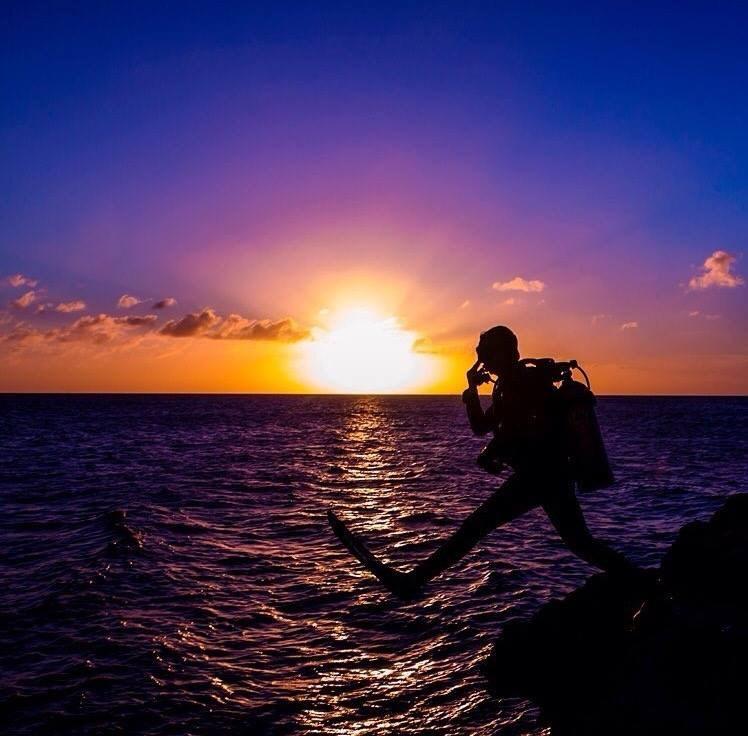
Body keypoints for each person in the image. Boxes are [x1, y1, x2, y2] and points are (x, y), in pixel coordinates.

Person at [367, 325, 639, 600]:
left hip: (540, 476)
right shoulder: (510, 385)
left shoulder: (522, 383)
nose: (485, 362)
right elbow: (483, 426)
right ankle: (637, 579)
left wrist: (493, 452)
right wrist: (471, 391)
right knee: (579, 542)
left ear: (504, 354)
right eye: (483, 356)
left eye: (487, 355)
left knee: (475, 527)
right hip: (547, 476)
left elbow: (526, 429)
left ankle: (412, 581)